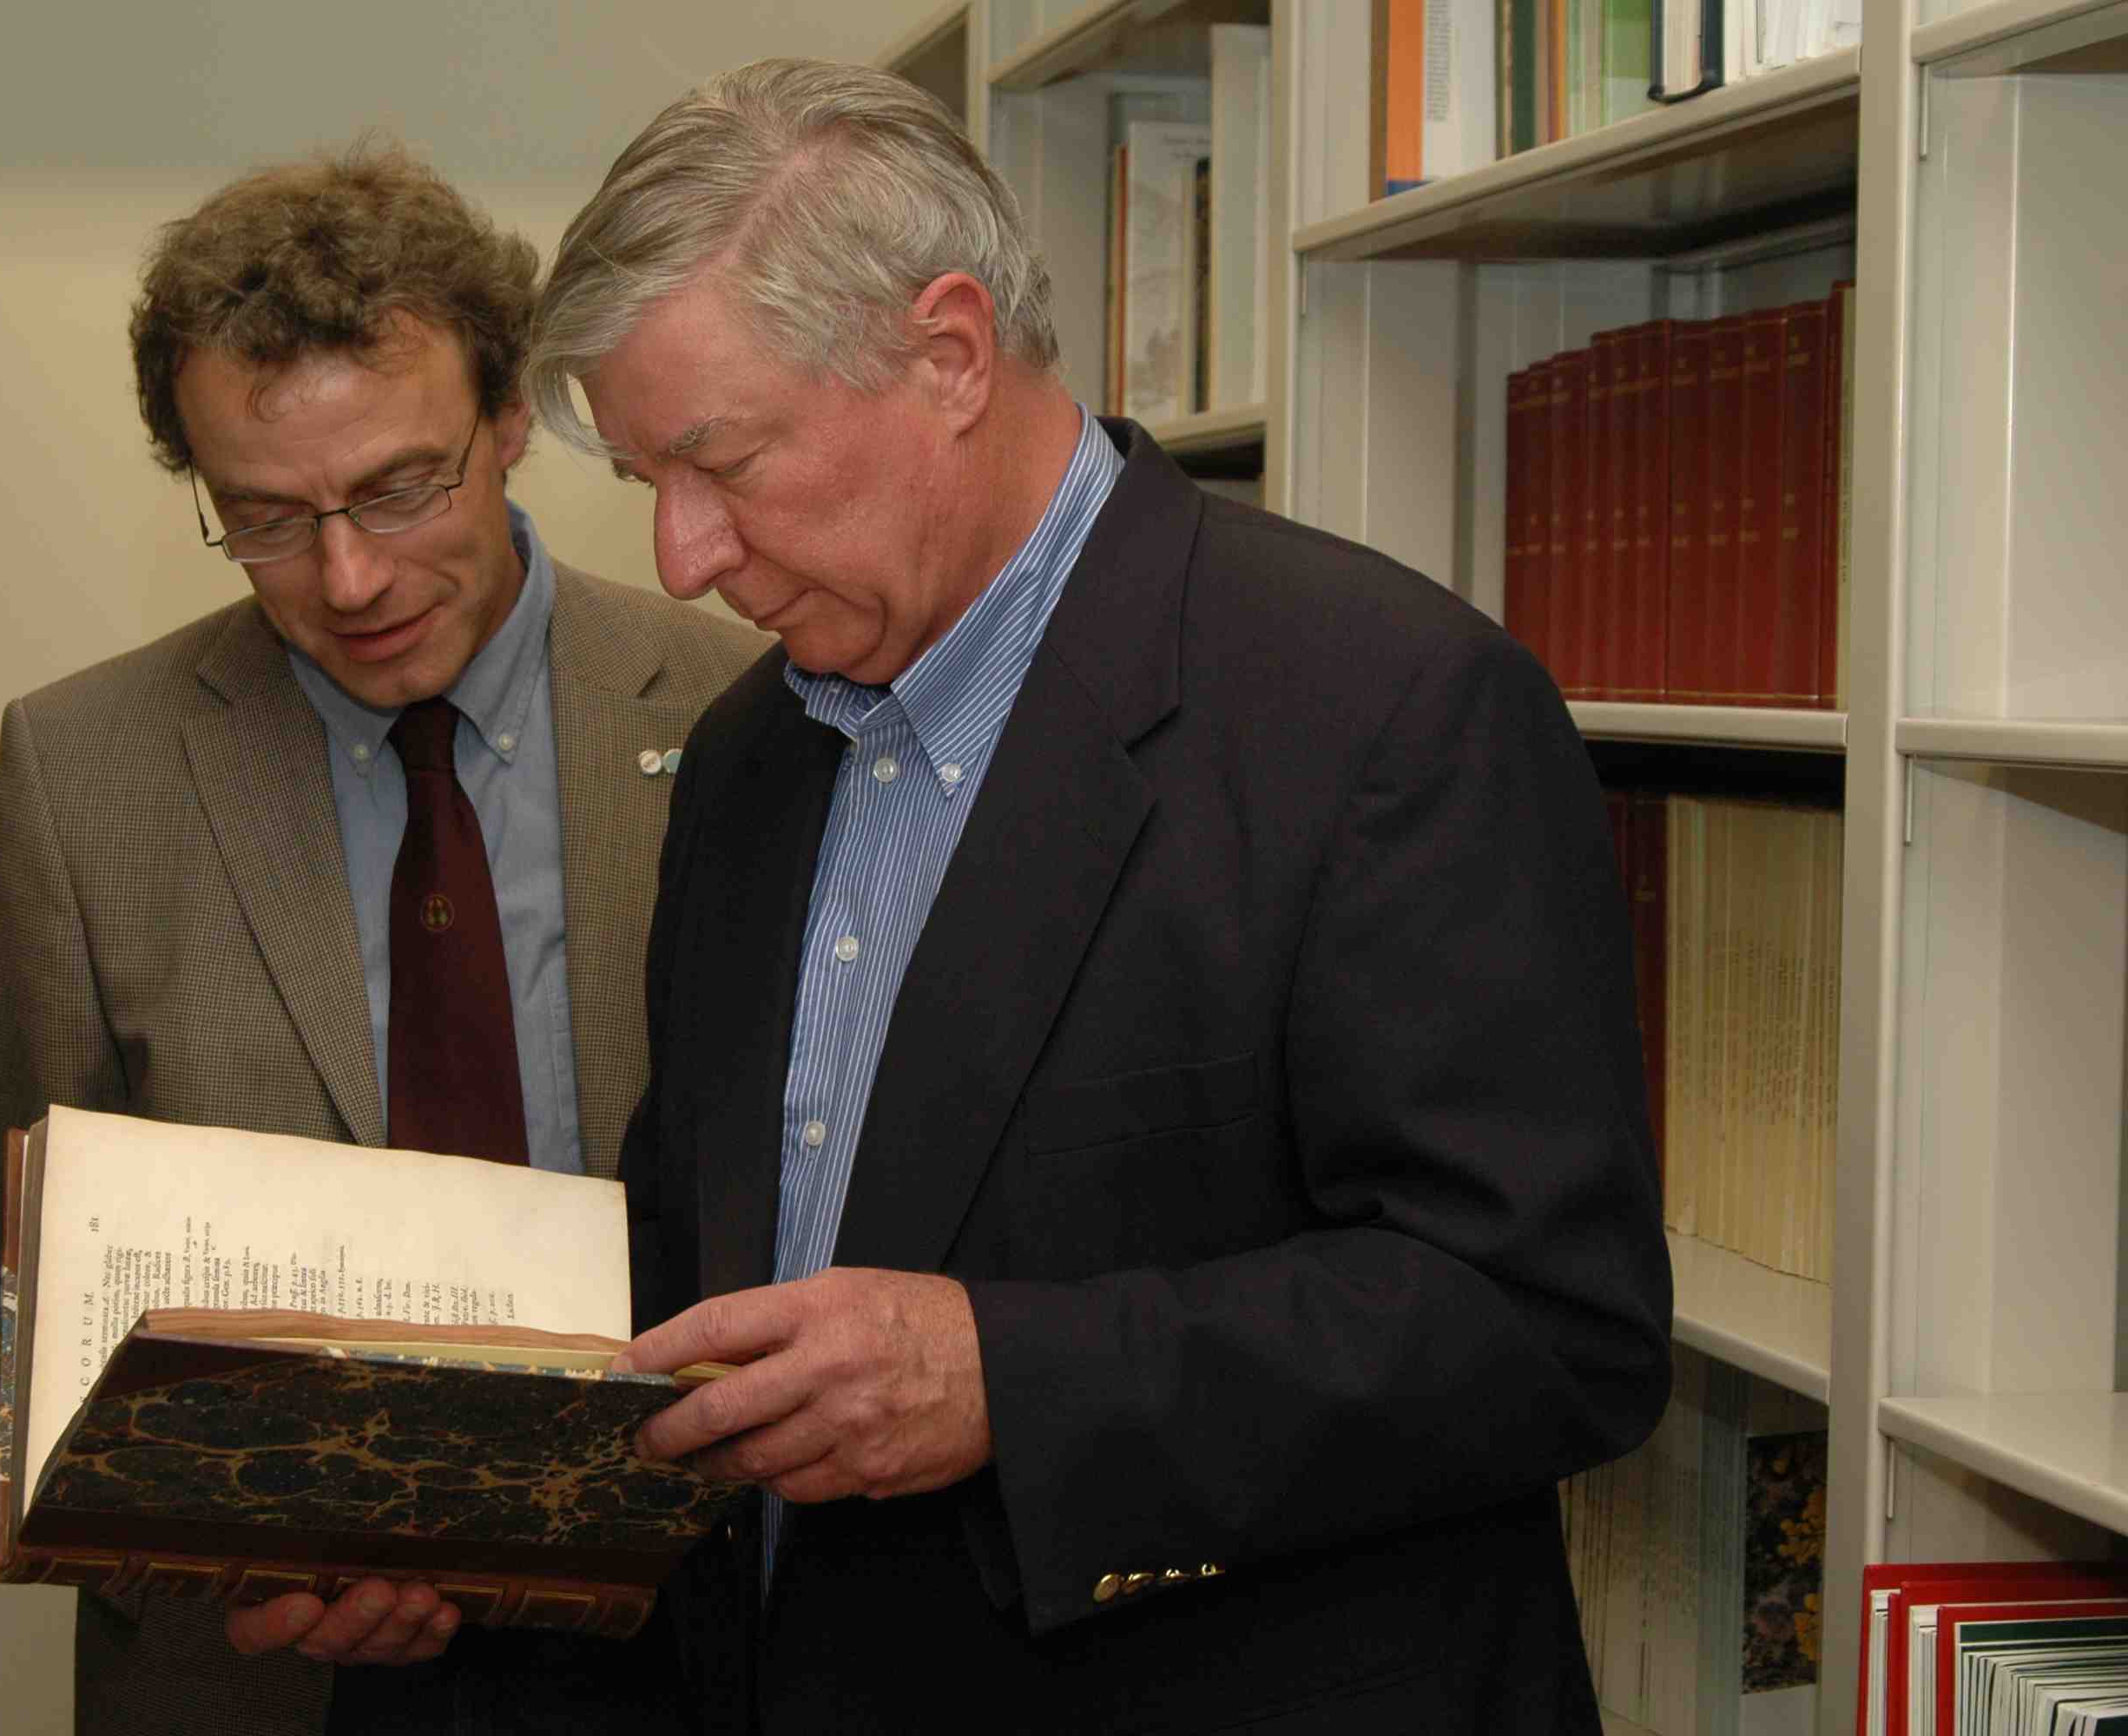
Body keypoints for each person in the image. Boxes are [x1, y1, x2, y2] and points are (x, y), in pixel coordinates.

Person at [519, 58, 1676, 1733]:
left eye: (725, 464)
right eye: (648, 487)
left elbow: (1549, 1324)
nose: (682, 558)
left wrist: (1013, 1381)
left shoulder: (1384, 711)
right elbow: (698, 1255)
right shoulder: (745, 762)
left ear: (950, 355)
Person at [0, 144, 762, 1735]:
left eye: (403, 487)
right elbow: (33, 1288)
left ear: (515, 418)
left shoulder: (743, 709)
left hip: (681, 1633)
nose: (349, 576)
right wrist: (226, 1560)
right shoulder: (80, 776)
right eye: (264, 517)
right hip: (260, 1669)